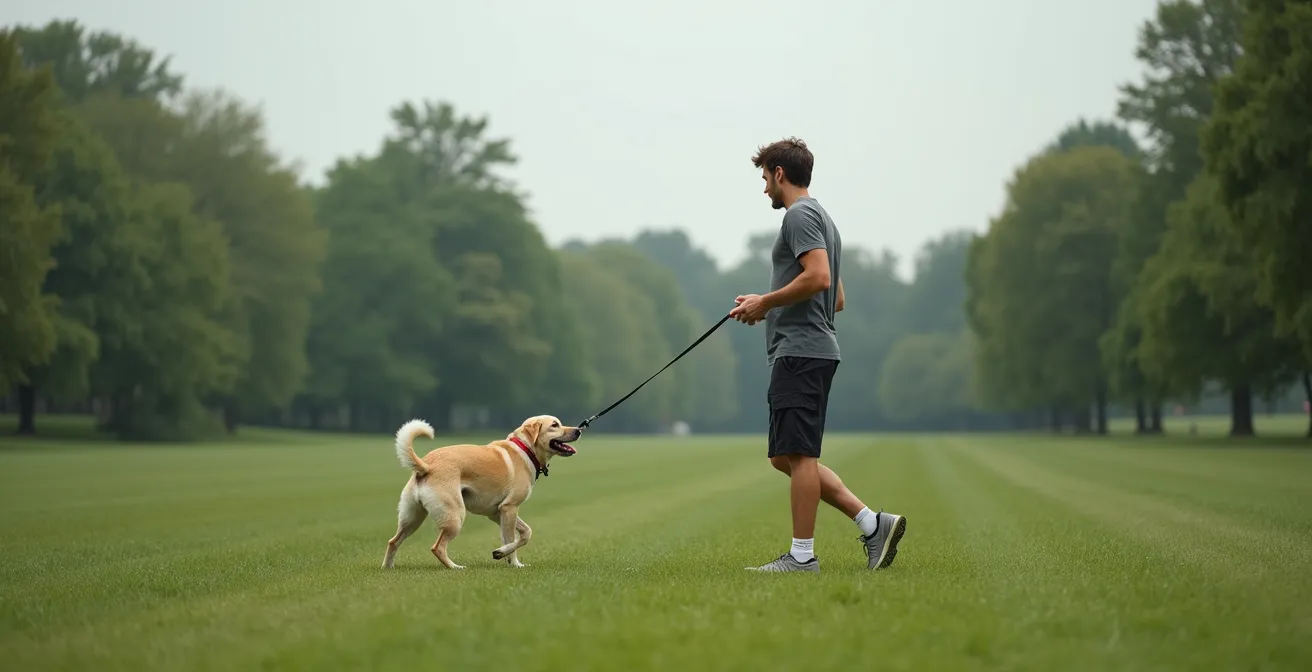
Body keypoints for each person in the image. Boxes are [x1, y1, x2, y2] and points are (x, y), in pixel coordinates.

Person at [729, 137, 906, 573]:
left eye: (765, 178)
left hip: (801, 352)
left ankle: (802, 558)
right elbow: (837, 296)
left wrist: (766, 303)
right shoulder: (823, 219)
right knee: (784, 456)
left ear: (780, 173)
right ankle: (872, 523)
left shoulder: (800, 215)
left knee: (801, 456)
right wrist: (765, 301)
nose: (765, 188)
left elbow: (821, 278)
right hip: (811, 350)